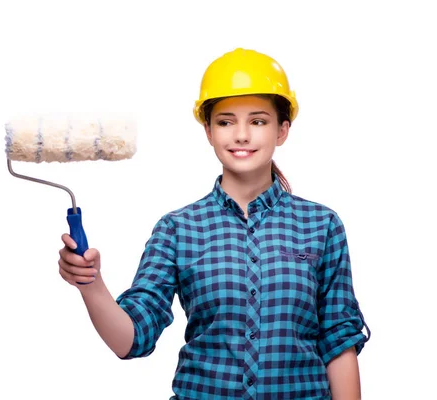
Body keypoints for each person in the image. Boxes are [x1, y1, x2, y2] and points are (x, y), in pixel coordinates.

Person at [57, 47, 370, 400]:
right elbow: (132, 340)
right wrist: (91, 284)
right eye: (225, 121)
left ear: (282, 130)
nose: (241, 135)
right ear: (208, 130)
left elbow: (338, 342)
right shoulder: (178, 229)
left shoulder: (321, 225)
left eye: (258, 121)